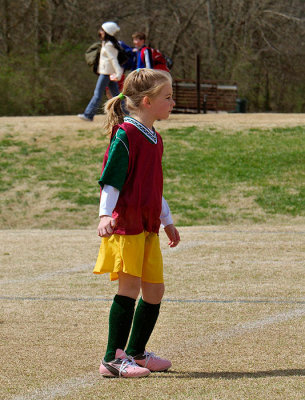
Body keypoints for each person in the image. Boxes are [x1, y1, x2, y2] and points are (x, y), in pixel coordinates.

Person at [93, 68, 180, 378]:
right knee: (129, 288)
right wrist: (106, 215)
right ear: (146, 101)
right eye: (168, 97)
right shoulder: (125, 134)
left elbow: (153, 186)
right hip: (126, 225)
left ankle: (136, 353)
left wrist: (167, 220)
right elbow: (111, 181)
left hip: (148, 227)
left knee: (154, 291)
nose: (173, 102)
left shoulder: (155, 138)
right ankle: (112, 359)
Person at [78, 22, 123, 122]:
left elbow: (113, 60)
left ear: (107, 32)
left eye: (102, 30)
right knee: (116, 95)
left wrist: (119, 73)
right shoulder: (106, 43)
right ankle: (127, 113)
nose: (100, 32)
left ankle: (88, 114)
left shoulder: (109, 45)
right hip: (108, 72)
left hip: (106, 73)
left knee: (97, 94)